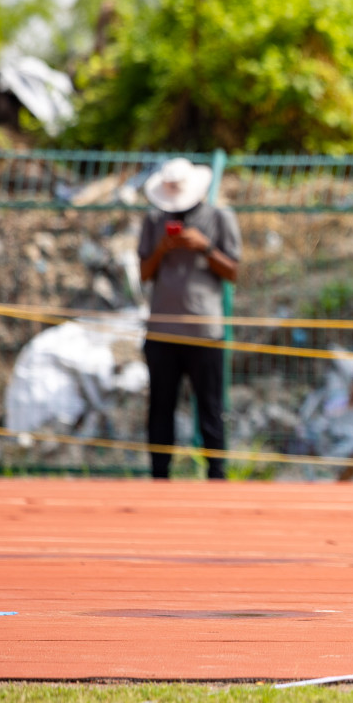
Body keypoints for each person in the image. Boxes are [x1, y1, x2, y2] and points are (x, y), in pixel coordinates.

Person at [137, 157, 241, 480]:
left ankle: (217, 474)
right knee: (160, 408)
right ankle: (159, 474)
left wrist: (204, 247)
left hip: (204, 331)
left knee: (210, 408)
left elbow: (233, 271)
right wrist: (162, 248)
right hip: (162, 332)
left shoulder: (220, 217)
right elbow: (144, 272)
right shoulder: (154, 221)